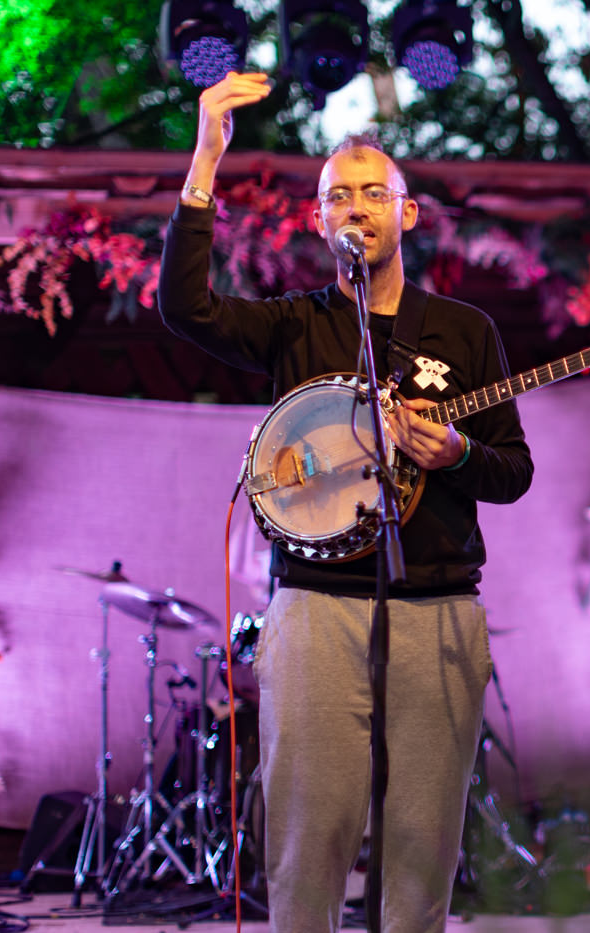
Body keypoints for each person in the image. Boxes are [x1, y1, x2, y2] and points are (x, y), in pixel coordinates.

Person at [159, 72, 534, 933]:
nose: (355, 204)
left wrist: (457, 452)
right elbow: (184, 308)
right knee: (308, 828)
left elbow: (512, 471)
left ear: (407, 213)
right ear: (319, 221)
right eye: (338, 195)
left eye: (374, 191)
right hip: (316, 604)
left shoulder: (466, 331)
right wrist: (206, 157)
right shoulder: (295, 325)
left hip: (438, 604)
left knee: (422, 837)